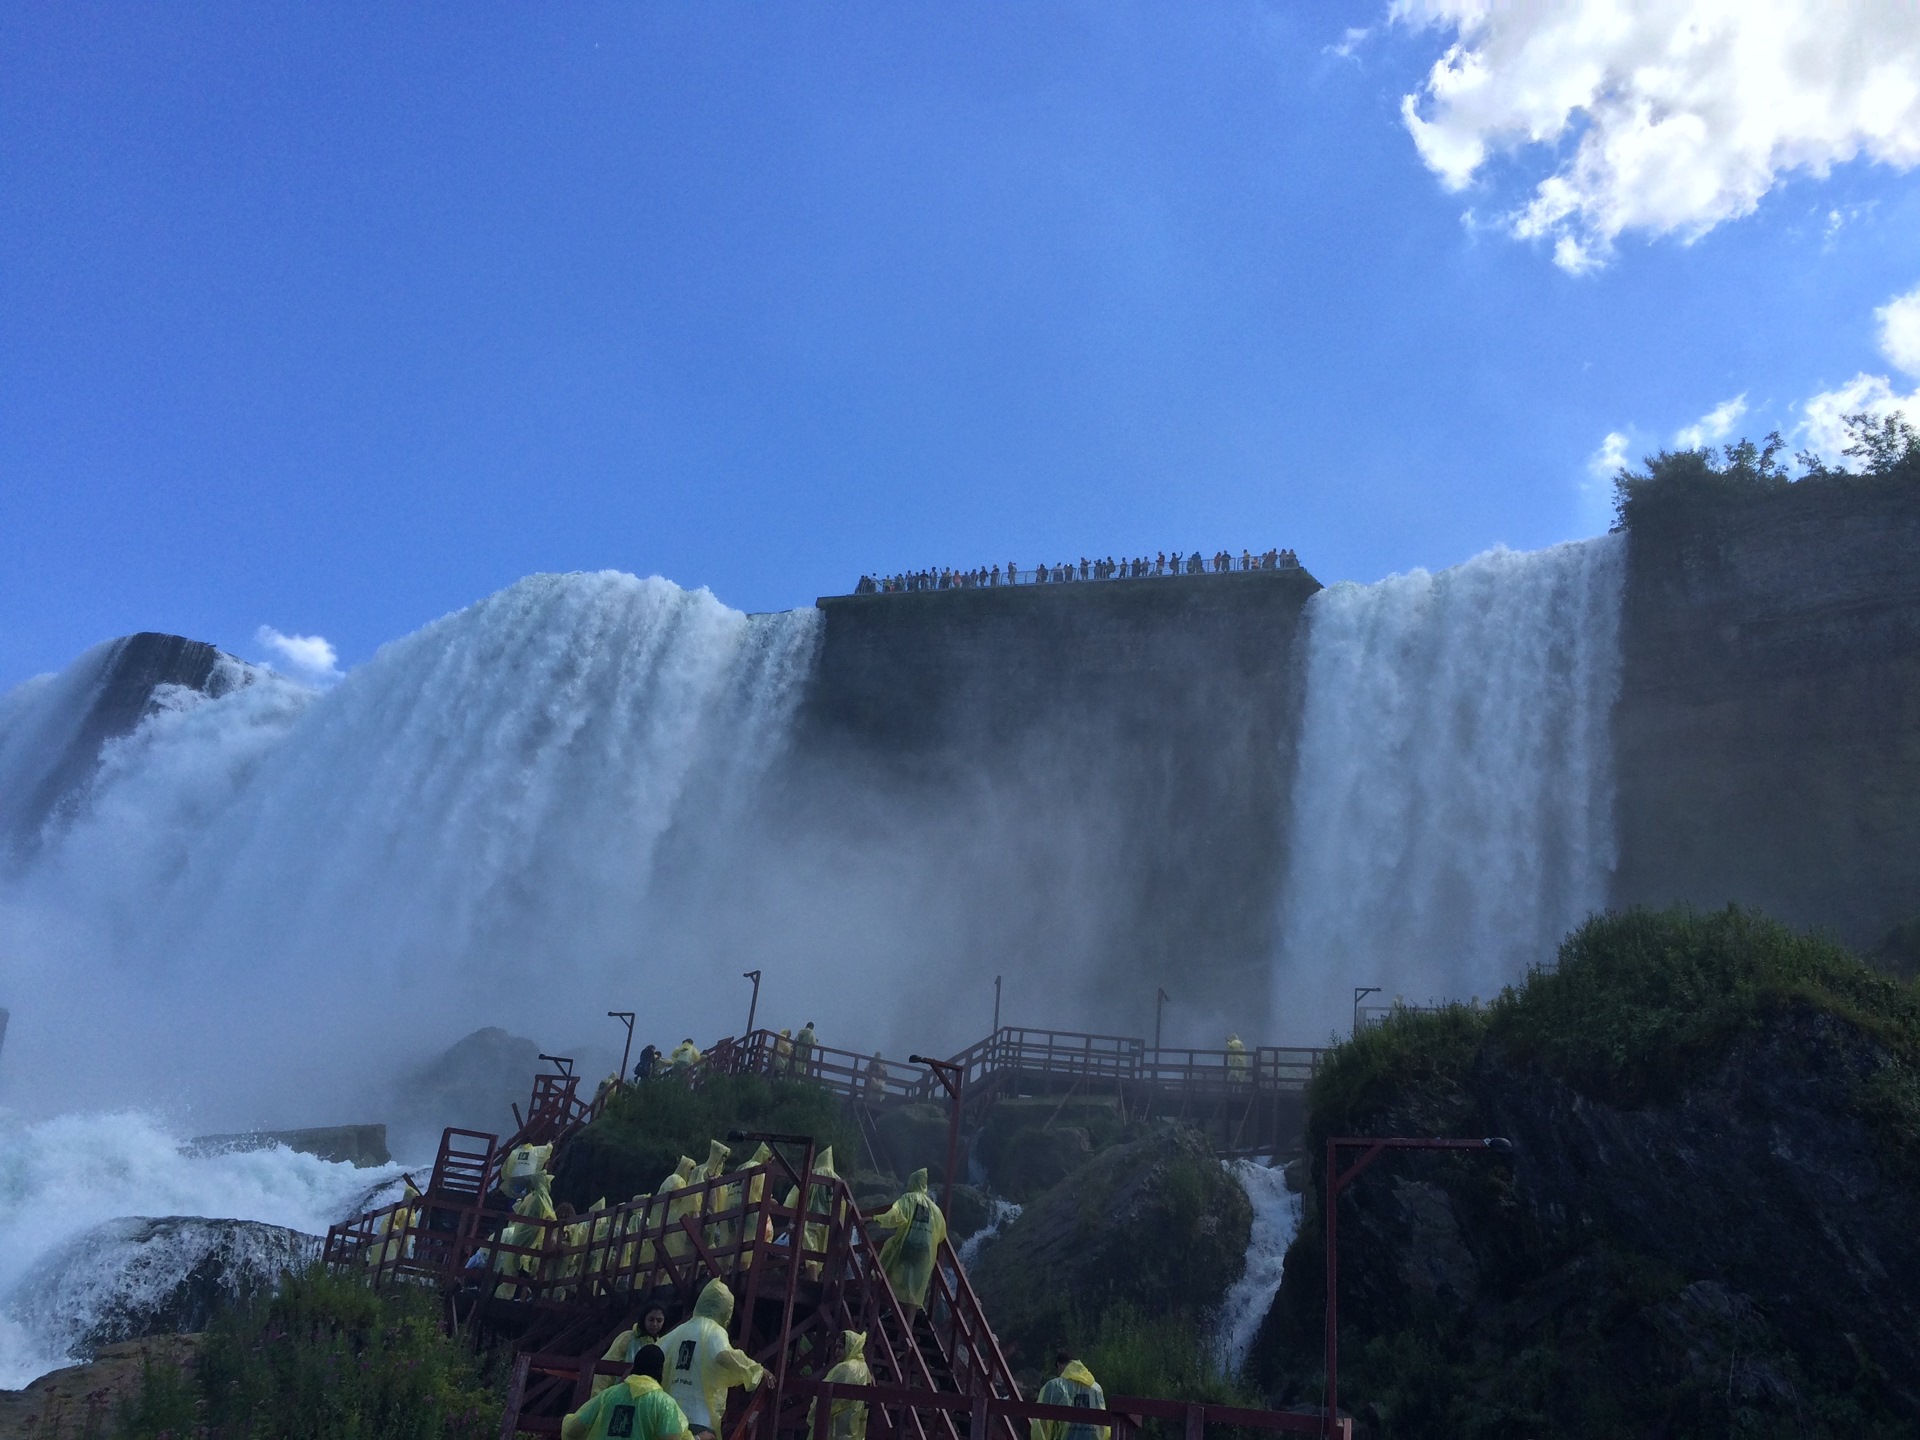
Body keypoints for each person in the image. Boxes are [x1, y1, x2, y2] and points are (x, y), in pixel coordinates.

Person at [660, 1279, 766, 1439]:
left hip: (670, 1413)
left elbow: (655, 1352)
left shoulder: (680, 1329)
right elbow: (724, 1355)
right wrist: (756, 1370)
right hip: (699, 1416)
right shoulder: (714, 1331)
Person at [563, 1338, 692, 1440]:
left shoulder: (608, 1395)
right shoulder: (664, 1403)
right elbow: (673, 1436)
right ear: (660, 1369)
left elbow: (573, 1429)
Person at [875, 1168, 946, 1329]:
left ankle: (889, 1311)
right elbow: (941, 1234)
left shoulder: (908, 1198)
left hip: (907, 1246)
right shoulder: (935, 1209)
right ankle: (908, 1327)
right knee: (916, 1290)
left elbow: (896, 1215)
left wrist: (875, 1219)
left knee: (894, 1274)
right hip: (925, 1253)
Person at [593, 1303, 674, 1396]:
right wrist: (598, 1394)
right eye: (651, 1320)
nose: (654, 1324)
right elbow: (607, 1365)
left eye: (659, 1320)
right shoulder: (628, 1338)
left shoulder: (661, 1343)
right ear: (644, 1319)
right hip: (618, 1392)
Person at [808, 1331, 873, 1440]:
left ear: (850, 1346)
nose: (836, 1352)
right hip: (853, 1430)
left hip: (835, 1430)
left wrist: (813, 1413)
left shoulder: (846, 1368)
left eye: (841, 1347)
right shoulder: (864, 1368)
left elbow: (826, 1399)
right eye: (836, 1347)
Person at [1031, 1353, 1108, 1440]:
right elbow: (1103, 1427)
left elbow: (1041, 1424)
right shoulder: (1096, 1388)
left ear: (1059, 1365)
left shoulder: (1054, 1386)